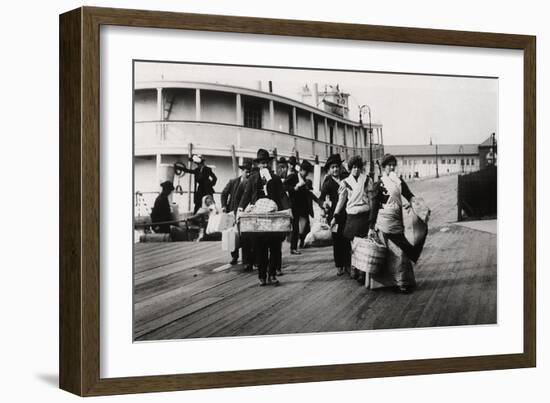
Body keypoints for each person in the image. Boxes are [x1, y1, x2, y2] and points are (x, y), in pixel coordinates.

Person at [368, 153, 424, 293]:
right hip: (384, 223)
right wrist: (371, 225)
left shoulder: (399, 181)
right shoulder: (379, 184)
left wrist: (414, 205)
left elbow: (409, 196)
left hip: (397, 222)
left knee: (402, 253)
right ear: (383, 167)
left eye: (393, 165)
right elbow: (374, 205)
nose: (391, 167)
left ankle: (403, 282)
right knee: (389, 253)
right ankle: (388, 283)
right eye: (389, 165)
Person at [238, 149, 286, 286]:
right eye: (262, 164)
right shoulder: (253, 178)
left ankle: (272, 274)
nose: (264, 166)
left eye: (266, 163)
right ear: (258, 165)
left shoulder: (275, 179)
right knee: (261, 248)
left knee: (276, 247)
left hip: (273, 215)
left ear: (269, 164)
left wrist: (288, 210)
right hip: (258, 217)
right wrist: (240, 209)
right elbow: (246, 195)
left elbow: (282, 195)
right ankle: (262, 276)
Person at [332, 155, 373, 284]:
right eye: (353, 167)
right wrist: (335, 216)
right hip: (352, 216)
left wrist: (373, 216)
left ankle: (362, 272)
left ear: (361, 168)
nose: (356, 170)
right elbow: (341, 202)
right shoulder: (345, 183)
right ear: (350, 169)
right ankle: (354, 269)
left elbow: (371, 199)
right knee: (353, 245)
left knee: (364, 244)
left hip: (364, 215)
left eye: (358, 167)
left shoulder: (367, 180)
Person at [318, 154, 351, 276]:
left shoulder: (346, 178)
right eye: (332, 167)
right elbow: (320, 199)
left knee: (347, 239)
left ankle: (348, 264)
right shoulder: (327, 182)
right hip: (334, 217)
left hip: (347, 214)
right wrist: (324, 204)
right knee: (337, 242)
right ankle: (339, 266)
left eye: (337, 167)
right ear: (329, 169)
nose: (335, 169)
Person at [221, 161, 253, 268]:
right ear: (242, 171)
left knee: (244, 236)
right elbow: (224, 194)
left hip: (244, 213)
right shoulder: (233, 182)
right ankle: (234, 256)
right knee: (231, 235)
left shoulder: (252, 183)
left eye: (250, 172)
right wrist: (224, 206)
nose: (248, 174)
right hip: (231, 212)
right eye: (247, 172)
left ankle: (246, 260)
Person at [285, 159, 315, 255]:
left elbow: (308, 193)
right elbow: (283, 186)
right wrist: (295, 188)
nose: (307, 174)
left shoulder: (305, 181)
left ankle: (297, 244)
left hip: (302, 208)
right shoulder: (293, 177)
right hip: (293, 206)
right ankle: (293, 248)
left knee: (303, 227)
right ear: (301, 170)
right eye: (306, 172)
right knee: (295, 228)